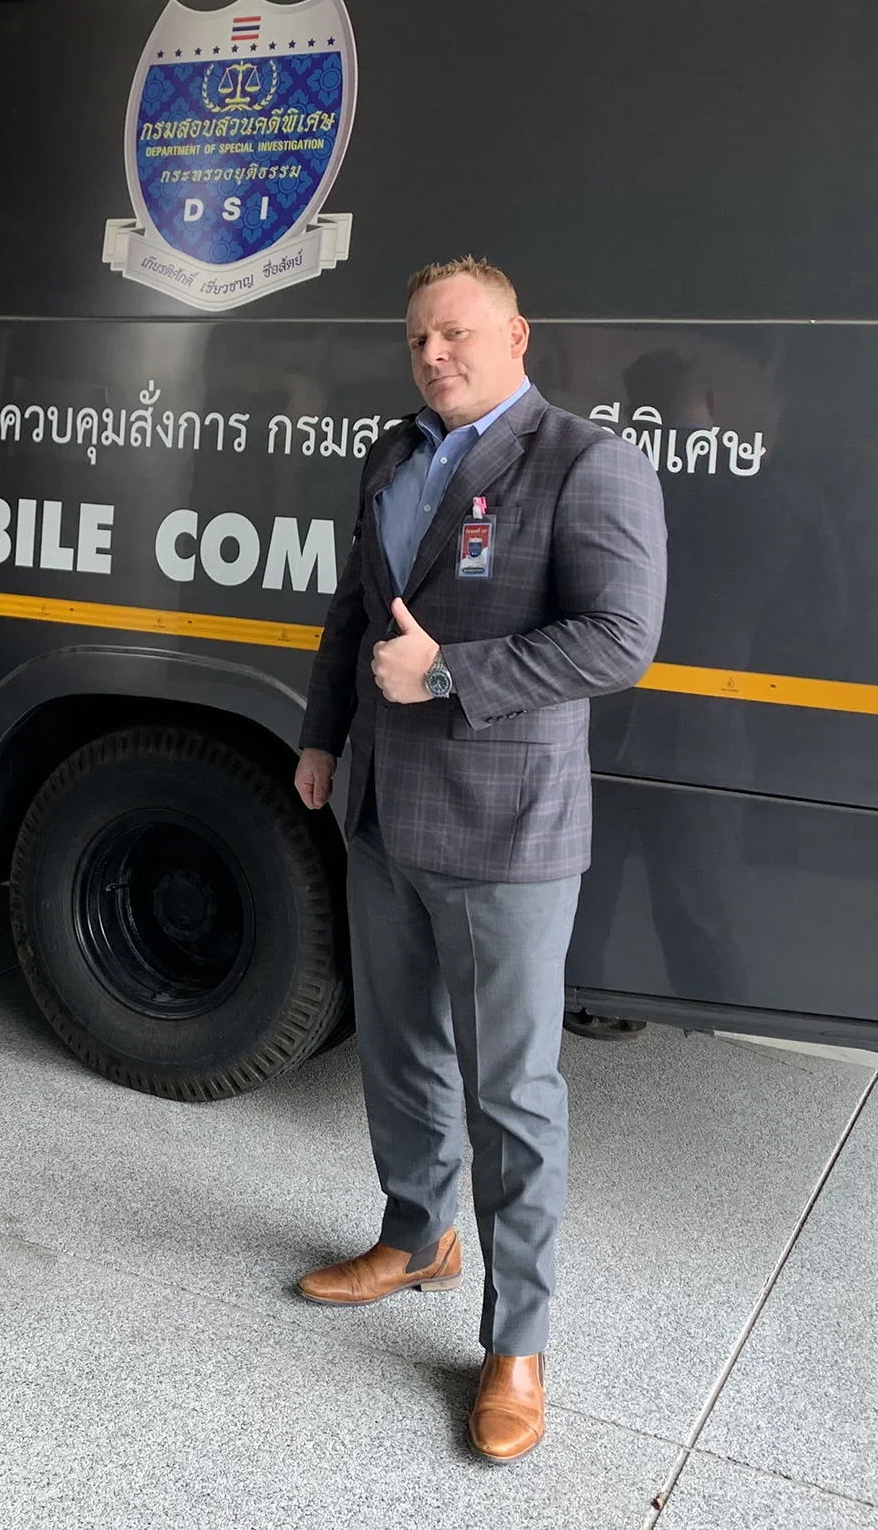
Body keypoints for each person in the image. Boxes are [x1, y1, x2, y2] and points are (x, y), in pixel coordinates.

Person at [291, 256, 667, 1464]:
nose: (434, 355)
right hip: (381, 812)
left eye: (455, 334)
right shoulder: (393, 453)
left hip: (507, 832)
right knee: (398, 1047)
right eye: (417, 341)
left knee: (512, 1092)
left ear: (515, 334)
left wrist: (453, 674)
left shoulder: (584, 461)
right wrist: (321, 736)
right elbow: (355, 616)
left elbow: (618, 638)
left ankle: (516, 1348)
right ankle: (415, 1237)